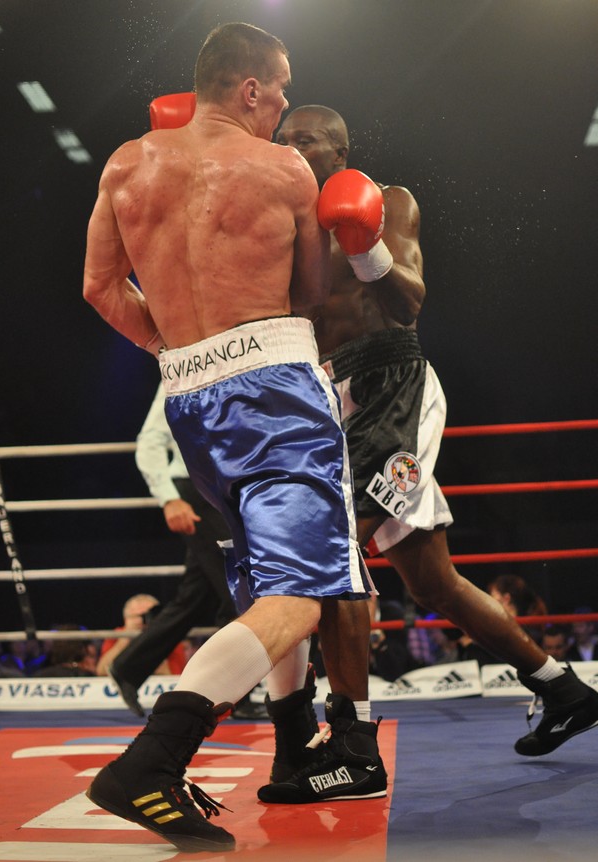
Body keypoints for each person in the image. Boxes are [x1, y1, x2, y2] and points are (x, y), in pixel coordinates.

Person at [82, 24, 382, 854]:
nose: (284, 104)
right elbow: (310, 295)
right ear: (249, 88)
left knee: (263, 581)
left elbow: (99, 286)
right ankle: (151, 760)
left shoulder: (125, 164)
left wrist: (177, 346)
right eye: (280, 88)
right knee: (303, 593)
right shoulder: (283, 169)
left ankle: (290, 752)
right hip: (275, 392)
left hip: (189, 399)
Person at [254, 104, 598, 801]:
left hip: (393, 386)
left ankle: (353, 744)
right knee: (433, 583)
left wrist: (362, 240)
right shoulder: (284, 228)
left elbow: (408, 302)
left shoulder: (388, 201)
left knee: (331, 551)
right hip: (326, 396)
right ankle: (563, 690)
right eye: (283, 139)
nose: (291, 148)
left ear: (341, 151)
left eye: (306, 139)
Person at [106, 382, 247, 718]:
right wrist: (169, 498)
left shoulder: (239, 366)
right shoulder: (180, 369)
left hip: (226, 491)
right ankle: (232, 696)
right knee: (236, 592)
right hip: (196, 491)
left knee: (197, 597)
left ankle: (128, 667)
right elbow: (150, 440)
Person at [96, 593, 187, 679]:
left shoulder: (169, 637)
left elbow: (175, 679)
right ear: (126, 619)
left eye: (149, 616)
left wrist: (156, 643)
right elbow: (102, 671)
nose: (143, 621)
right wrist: (125, 639)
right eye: (137, 616)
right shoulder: (117, 635)